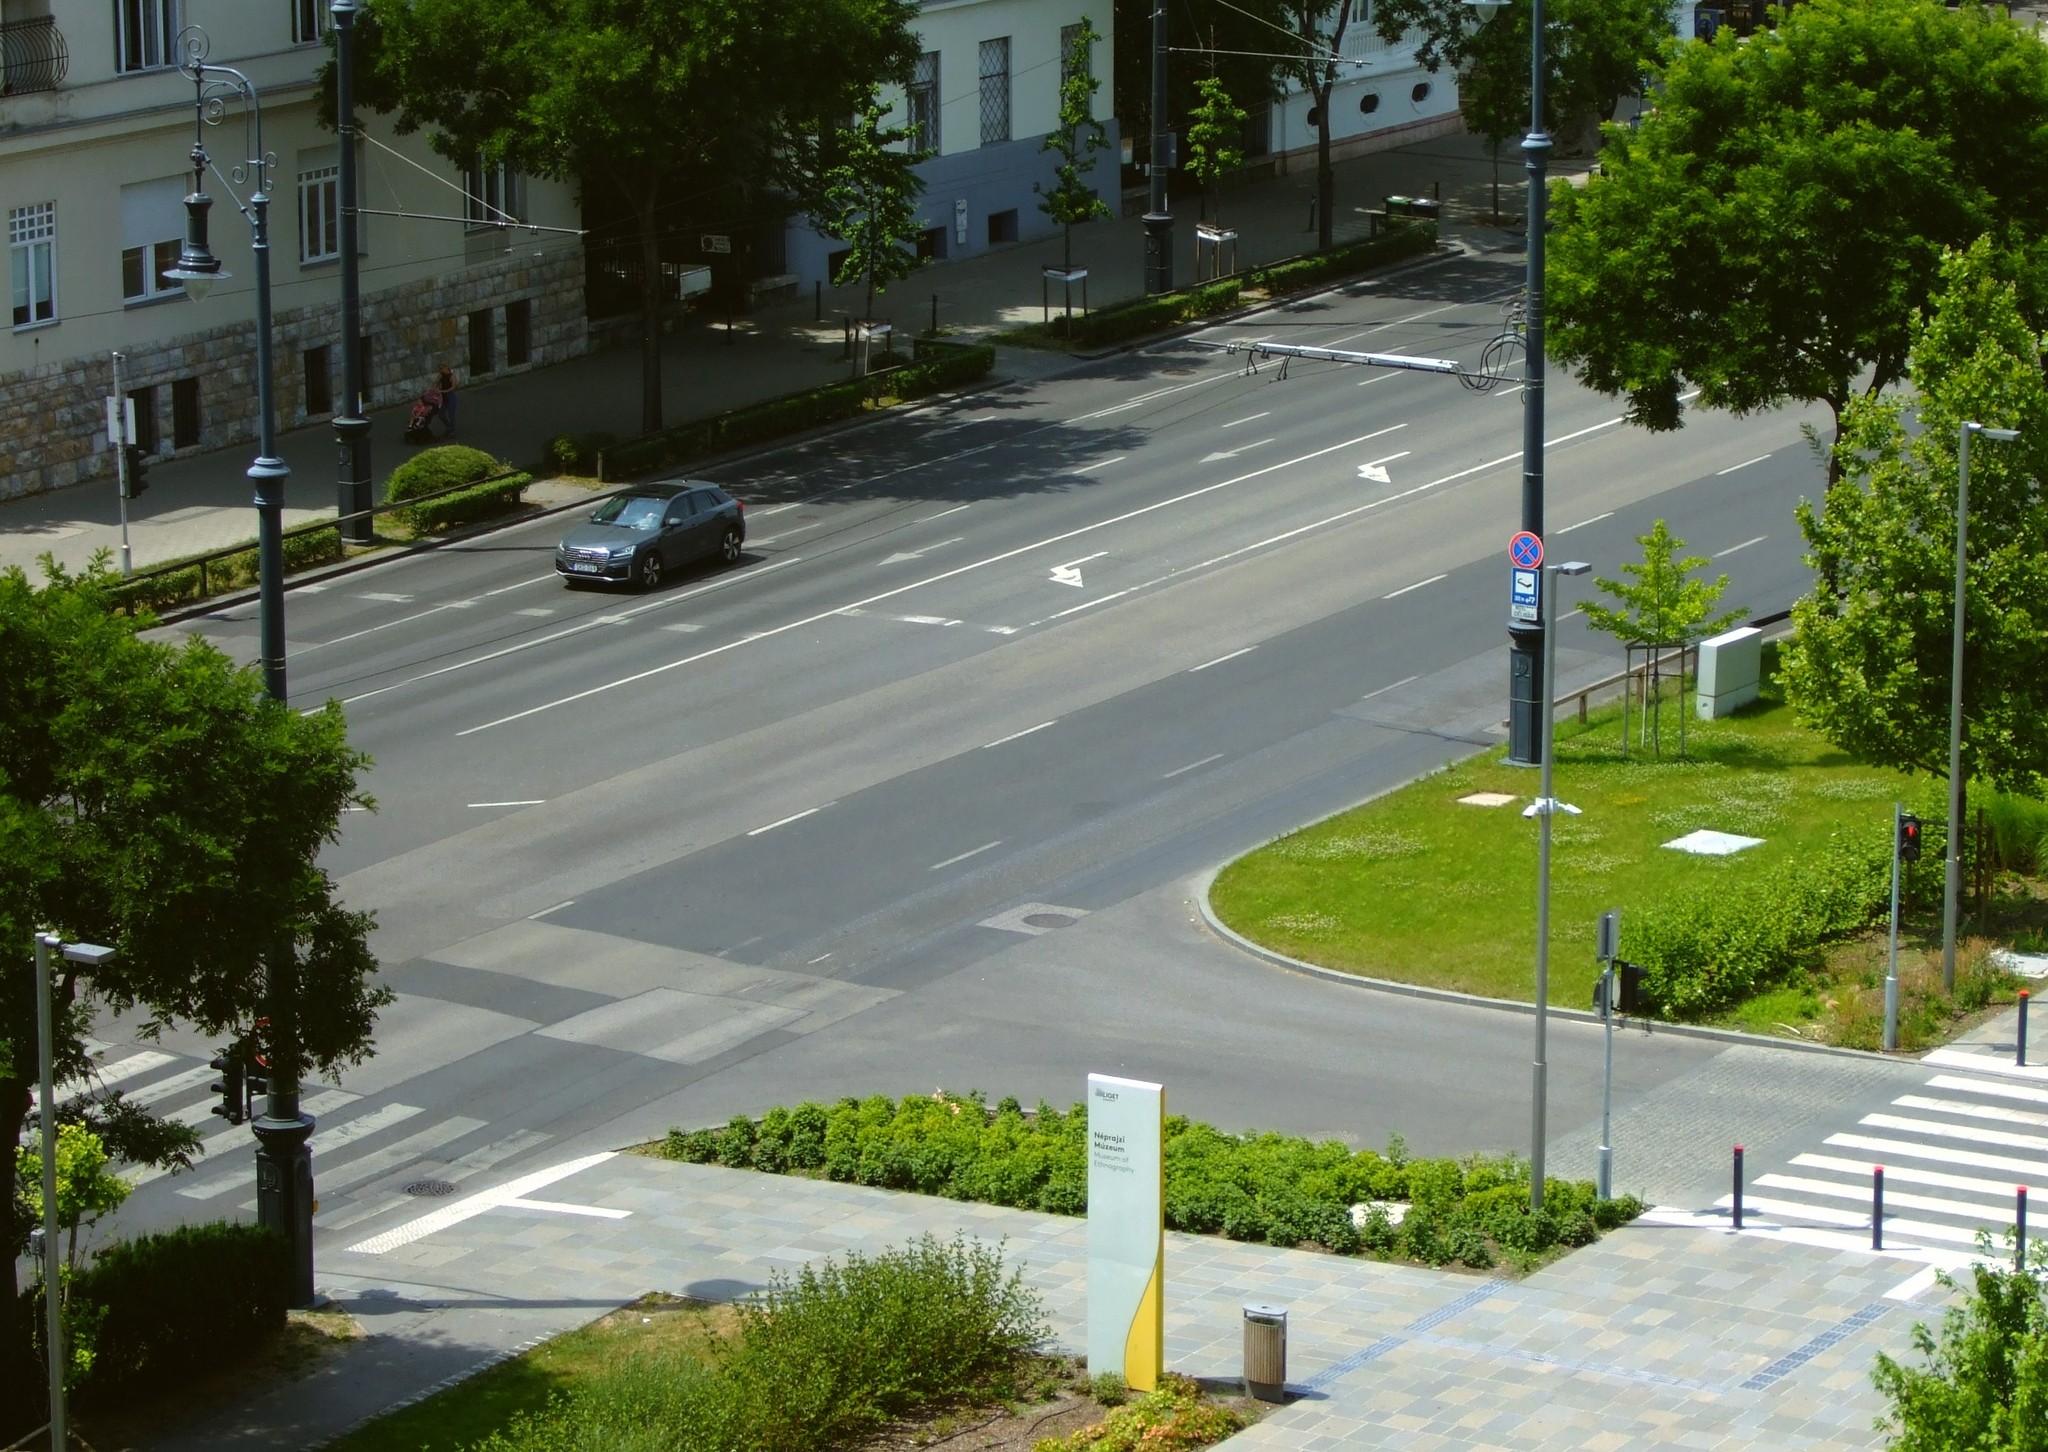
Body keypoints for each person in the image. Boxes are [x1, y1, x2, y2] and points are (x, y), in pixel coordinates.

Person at [435, 364, 460, 435]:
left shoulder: (452, 376)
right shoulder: (441, 377)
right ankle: (449, 426)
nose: (441, 370)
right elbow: (435, 384)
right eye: (440, 369)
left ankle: (452, 431)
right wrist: (438, 377)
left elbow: (453, 387)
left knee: (451, 414)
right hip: (443, 397)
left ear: (447, 368)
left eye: (442, 368)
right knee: (441, 414)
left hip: (451, 396)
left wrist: (443, 391)